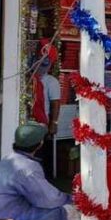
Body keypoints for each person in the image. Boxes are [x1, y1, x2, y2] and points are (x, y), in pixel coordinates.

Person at [0, 122, 76, 220]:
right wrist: (71, 199)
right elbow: (49, 200)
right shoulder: (26, 168)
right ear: (40, 144)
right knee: (67, 212)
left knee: (52, 212)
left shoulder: (7, 160)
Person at [30, 42, 61, 178]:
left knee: (41, 154)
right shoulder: (29, 78)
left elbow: (55, 103)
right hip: (29, 122)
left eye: (45, 63)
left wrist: (53, 123)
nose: (41, 66)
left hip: (42, 123)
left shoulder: (51, 81)